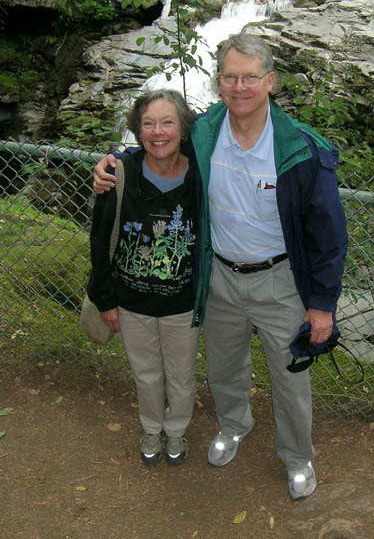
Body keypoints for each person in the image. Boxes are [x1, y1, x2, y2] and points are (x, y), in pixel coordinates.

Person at [93, 33, 348, 500]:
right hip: (220, 278)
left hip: (280, 280)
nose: (240, 86)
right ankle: (234, 425)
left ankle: (296, 456)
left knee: (291, 376)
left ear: (270, 81)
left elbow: (329, 235)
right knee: (225, 368)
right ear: (218, 82)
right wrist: (115, 162)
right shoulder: (207, 132)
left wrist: (322, 304)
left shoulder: (301, 149)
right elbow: (158, 144)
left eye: (251, 76)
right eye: (230, 76)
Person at [87, 88, 200, 467]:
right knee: (146, 374)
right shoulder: (119, 173)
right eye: (148, 124)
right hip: (131, 303)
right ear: (138, 130)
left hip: (182, 304)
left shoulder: (202, 174)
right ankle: (152, 427)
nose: (158, 132)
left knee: (181, 375)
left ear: (183, 129)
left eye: (168, 122)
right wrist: (105, 299)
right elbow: (100, 240)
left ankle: (177, 431)